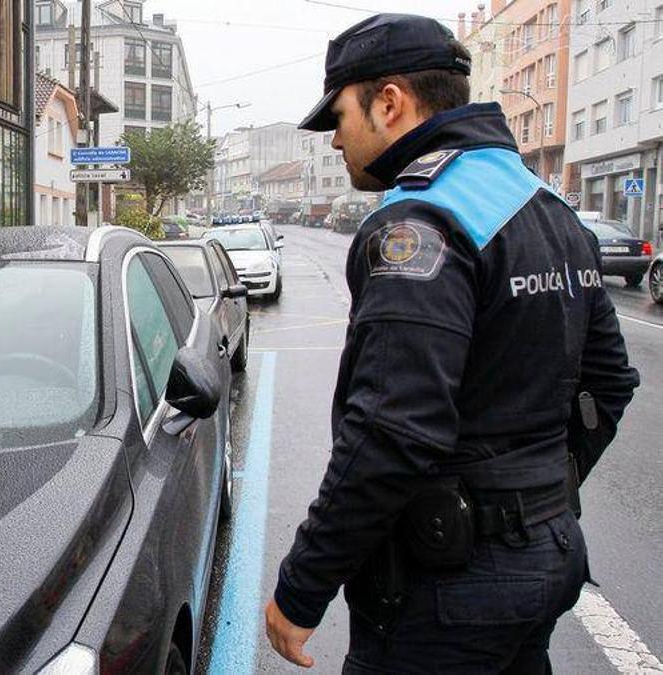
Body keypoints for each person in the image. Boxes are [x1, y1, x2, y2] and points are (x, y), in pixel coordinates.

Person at [264, 14, 640, 672]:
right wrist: (535, 495)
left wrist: (303, 584)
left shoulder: (420, 220)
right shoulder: (548, 208)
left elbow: (392, 429)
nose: (335, 141)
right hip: (548, 553)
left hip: (448, 588)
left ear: (389, 103)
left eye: (339, 118)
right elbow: (609, 383)